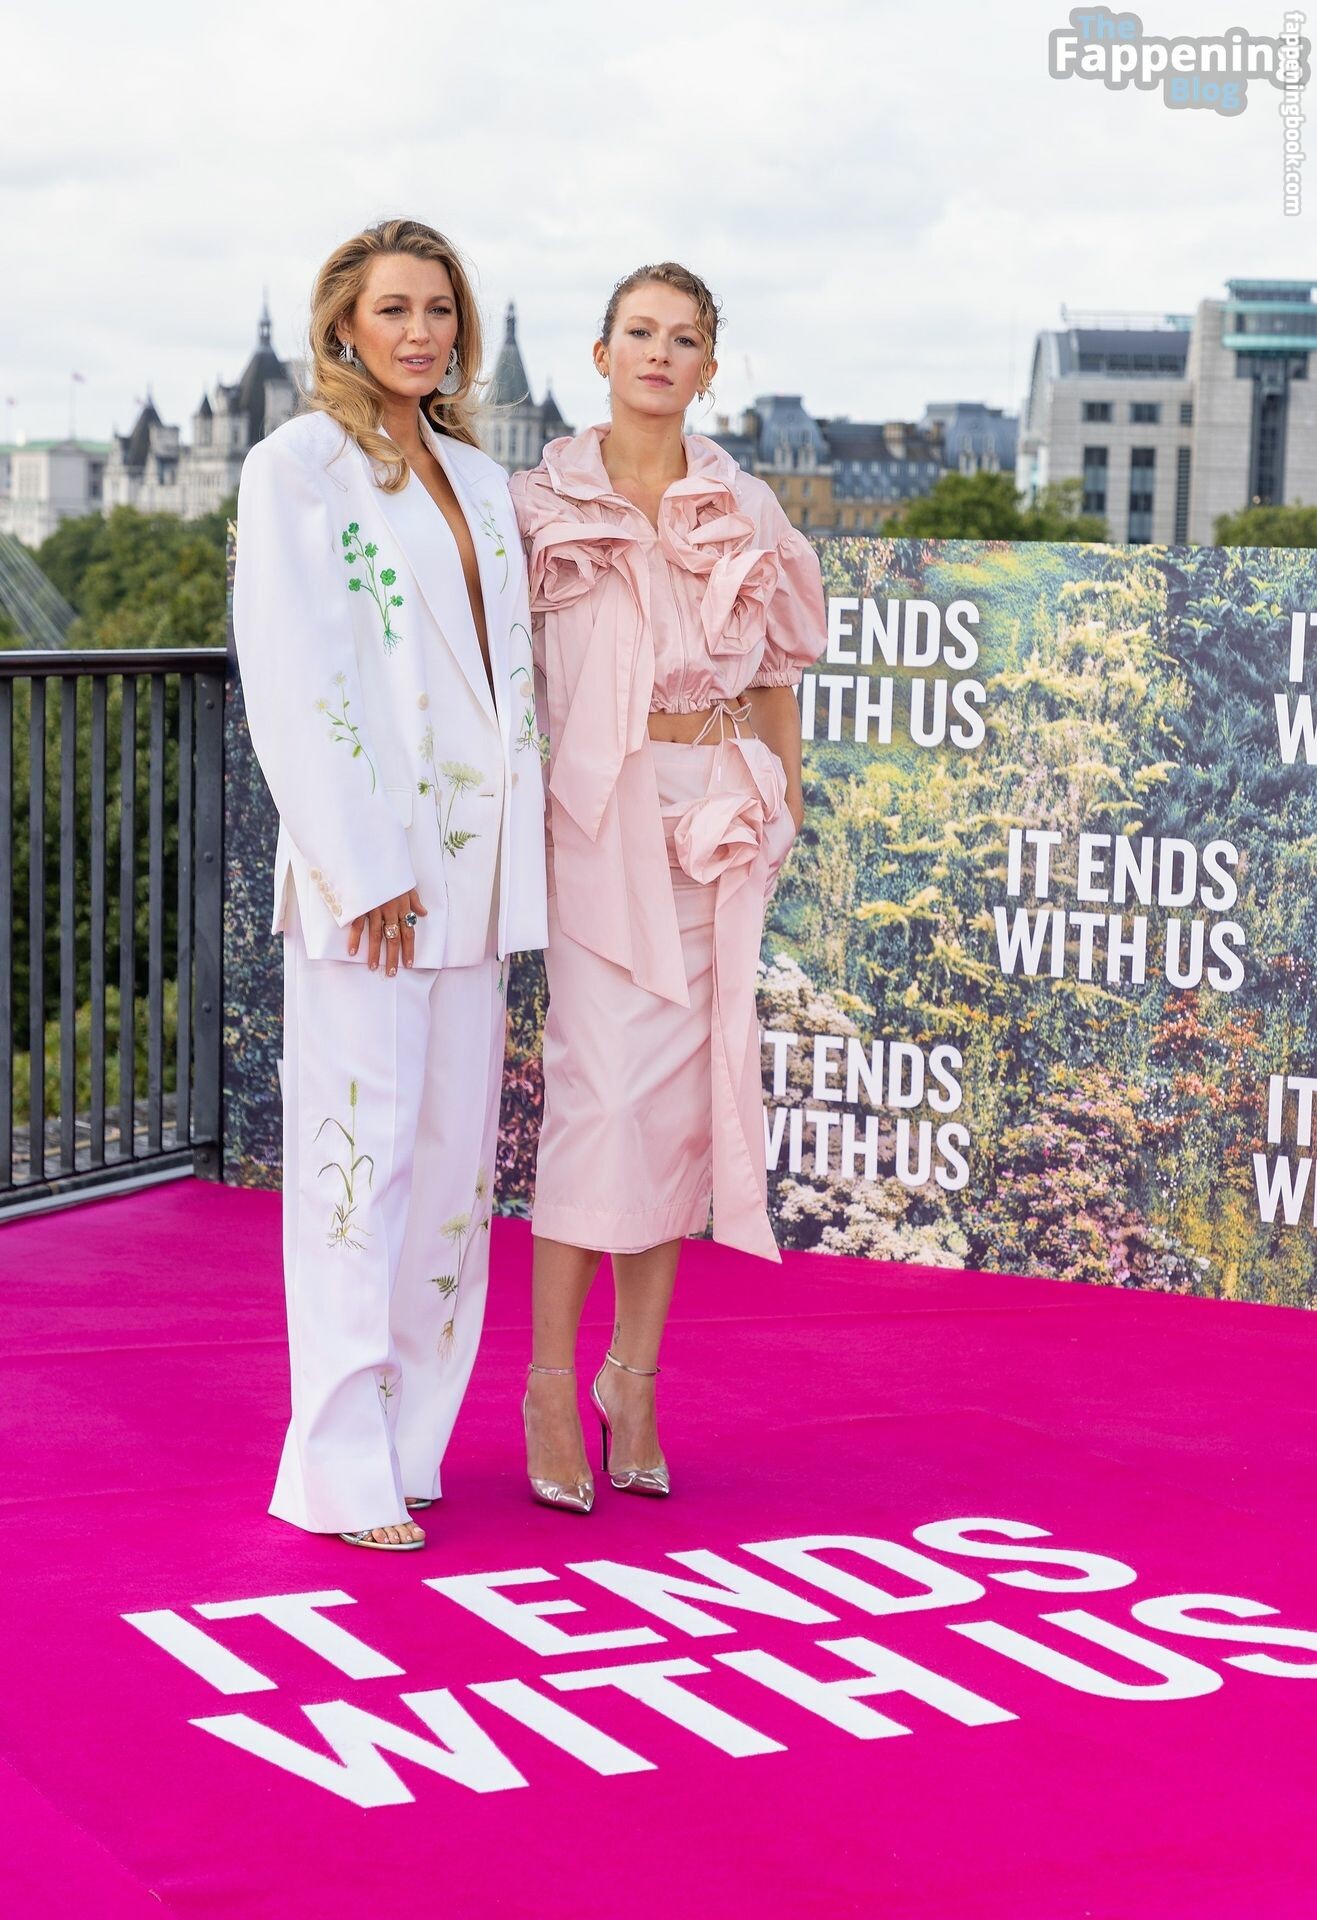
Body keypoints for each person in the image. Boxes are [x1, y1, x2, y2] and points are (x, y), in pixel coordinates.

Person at [233, 218, 546, 1550]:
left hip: (478, 879)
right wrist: (359, 866)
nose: (421, 331)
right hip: (371, 880)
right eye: (394, 309)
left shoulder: (476, 476)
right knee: (353, 1175)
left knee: (453, 1183)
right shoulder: (297, 466)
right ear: (343, 327)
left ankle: (411, 1445)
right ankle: (335, 1469)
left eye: (439, 309)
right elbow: (292, 673)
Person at [509, 262, 826, 1514]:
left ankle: (632, 1381)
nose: (658, 353)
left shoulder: (746, 505)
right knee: (601, 1100)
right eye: (638, 332)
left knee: (685, 1106)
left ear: (708, 366)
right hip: (598, 822)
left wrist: (783, 805)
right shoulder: (537, 503)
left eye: (682, 338)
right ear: (601, 354)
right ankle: (548, 1383)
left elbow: (778, 672)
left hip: (721, 820)